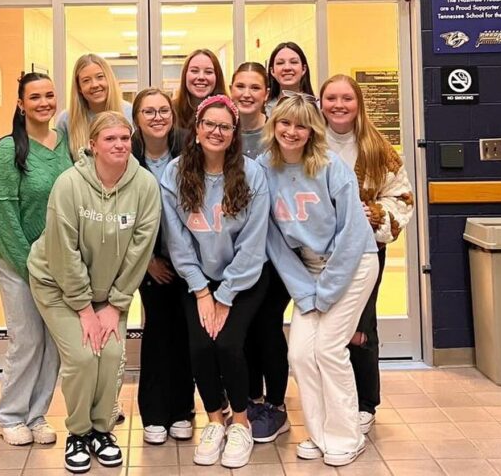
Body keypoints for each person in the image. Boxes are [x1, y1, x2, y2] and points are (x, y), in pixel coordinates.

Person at [28, 111, 160, 474]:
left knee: (113, 352)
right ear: (93, 146)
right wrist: (86, 308)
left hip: (109, 292)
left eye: (124, 138)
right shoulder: (69, 184)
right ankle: (79, 433)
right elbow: (62, 250)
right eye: (110, 139)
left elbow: (139, 250)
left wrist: (115, 304)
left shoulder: (145, 186)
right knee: (85, 357)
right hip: (57, 284)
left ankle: (103, 430)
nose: (119, 145)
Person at [259, 95, 378, 468]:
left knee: (328, 349)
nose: (291, 132)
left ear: (312, 130)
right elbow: (273, 241)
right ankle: (320, 433)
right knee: (298, 353)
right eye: (285, 124)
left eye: (300, 125)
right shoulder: (263, 168)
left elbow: (354, 234)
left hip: (353, 264)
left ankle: (347, 436)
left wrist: (325, 293)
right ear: (273, 126)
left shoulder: (331, 167)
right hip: (308, 271)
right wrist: (305, 290)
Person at [161, 95, 269, 469]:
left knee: (227, 344)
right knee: (200, 347)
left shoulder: (252, 174)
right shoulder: (174, 174)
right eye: (210, 124)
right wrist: (202, 290)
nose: (216, 132)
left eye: (225, 126)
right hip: (198, 279)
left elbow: (254, 246)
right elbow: (178, 241)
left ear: (234, 133)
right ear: (196, 130)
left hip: (246, 277)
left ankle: (240, 423)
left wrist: (224, 296)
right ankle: (214, 420)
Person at [0, 72, 72, 446]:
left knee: (53, 341)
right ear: (20, 104)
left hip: (58, 262)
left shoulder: (64, 143)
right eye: (34, 97)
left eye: (49, 95)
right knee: (27, 339)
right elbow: (0, 214)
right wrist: (29, 267)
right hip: (17, 261)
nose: (44, 103)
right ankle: (9, 415)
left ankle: (36, 416)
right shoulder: (8, 150)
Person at [320, 74, 415, 436]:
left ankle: (364, 402)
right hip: (320, 255)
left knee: (360, 328)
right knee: (323, 327)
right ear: (321, 102)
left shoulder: (377, 148)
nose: (339, 105)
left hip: (365, 252)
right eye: (331, 98)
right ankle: (331, 399)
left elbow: (402, 197)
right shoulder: (310, 141)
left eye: (346, 98)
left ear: (358, 102)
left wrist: (372, 214)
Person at [130, 87, 195, 446]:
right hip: (147, 261)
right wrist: (147, 262)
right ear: (137, 119)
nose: (157, 117)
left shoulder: (189, 149)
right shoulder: (129, 156)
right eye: (148, 112)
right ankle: (154, 412)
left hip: (188, 258)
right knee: (157, 331)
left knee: (185, 333)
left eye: (163, 111)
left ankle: (183, 409)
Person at [230, 63, 289, 444]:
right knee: (245, 328)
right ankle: (252, 400)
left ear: (266, 92)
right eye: (240, 86)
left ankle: (278, 405)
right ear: (231, 90)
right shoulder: (224, 132)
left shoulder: (279, 132)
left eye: (255, 87)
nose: (247, 93)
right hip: (238, 252)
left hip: (279, 249)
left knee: (268, 326)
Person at [56, 53, 133, 160]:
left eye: (100, 77)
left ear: (109, 79)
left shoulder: (130, 113)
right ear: (79, 88)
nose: (95, 85)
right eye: (86, 80)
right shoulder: (66, 120)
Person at [172, 48, 227, 142]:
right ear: (185, 75)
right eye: (194, 71)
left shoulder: (229, 112)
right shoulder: (170, 111)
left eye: (208, 72)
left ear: (217, 77)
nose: (201, 77)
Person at [266, 42, 315, 113]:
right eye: (280, 63)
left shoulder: (318, 108)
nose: (287, 68)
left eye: (294, 62)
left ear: (303, 69)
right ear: (272, 71)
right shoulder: (263, 110)